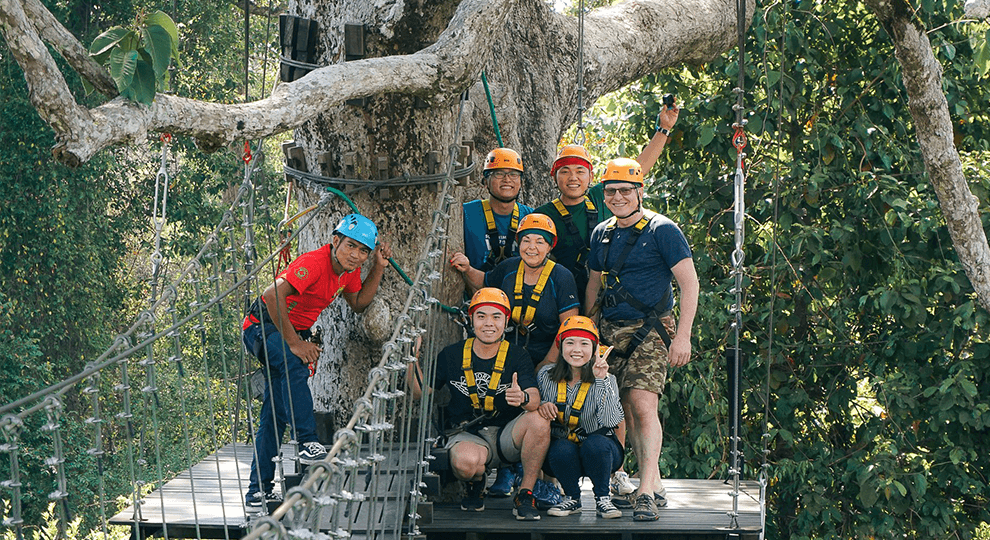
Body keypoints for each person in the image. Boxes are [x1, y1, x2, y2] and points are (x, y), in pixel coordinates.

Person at [241, 213, 393, 509]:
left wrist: (377, 268)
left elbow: (360, 303)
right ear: (335, 241)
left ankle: (257, 489)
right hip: (262, 326)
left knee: (273, 416)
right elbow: (272, 296)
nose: (356, 255)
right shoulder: (314, 263)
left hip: (285, 331)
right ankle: (307, 441)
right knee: (293, 364)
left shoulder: (348, 271)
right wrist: (295, 342)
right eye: (350, 246)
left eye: (363, 251)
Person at [584, 158, 699, 522]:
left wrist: (683, 337)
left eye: (624, 190)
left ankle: (646, 492)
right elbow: (593, 283)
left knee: (642, 403)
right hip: (609, 329)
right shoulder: (601, 232)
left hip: (651, 328)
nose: (617, 197)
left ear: (639, 192)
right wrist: (586, 330)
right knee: (623, 410)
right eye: (611, 191)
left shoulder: (662, 230)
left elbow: (689, 283)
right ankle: (655, 481)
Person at [406, 288, 551, 521]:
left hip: (507, 434)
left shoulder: (517, 355)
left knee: (539, 419)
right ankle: (475, 481)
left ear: (505, 322)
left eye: (496, 317)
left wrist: (522, 398)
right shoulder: (451, 355)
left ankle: (525, 493)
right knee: (466, 464)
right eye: (481, 316)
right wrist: (412, 357)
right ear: (472, 320)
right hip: (468, 432)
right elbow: (419, 392)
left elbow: (534, 399)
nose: (489, 323)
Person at [534, 100, 680, 307]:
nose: (572, 177)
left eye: (580, 171)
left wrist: (663, 129)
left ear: (590, 176)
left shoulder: (601, 198)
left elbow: (638, 169)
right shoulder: (543, 215)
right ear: (554, 177)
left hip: (606, 297)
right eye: (565, 171)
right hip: (565, 298)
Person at [451, 213, 580, 370]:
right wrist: (467, 269)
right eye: (526, 241)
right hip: (508, 349)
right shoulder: (509, 267)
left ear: (549, 247)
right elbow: (484, 281)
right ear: (519, 244)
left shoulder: (561, 277)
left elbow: (568, 325)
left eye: (540, 242)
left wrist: (548, 362)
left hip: (546, 351)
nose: (531, 247)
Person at [536, 316, 625, 519]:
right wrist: (542, 406)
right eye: (570, 343)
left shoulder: (607, 378)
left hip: (601, 452)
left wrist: (602, 380)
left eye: (584, 343)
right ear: (560, 347)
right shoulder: (546, 375)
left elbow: (612, 421)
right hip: (564, 453)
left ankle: (603, 498)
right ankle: (572, 498)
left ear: (594, 349)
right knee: (560, 448)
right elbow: (534, 411)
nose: (576, 349)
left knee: (595, 444)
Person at [461, 148, 534, 273]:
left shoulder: (530, 217)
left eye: (513, 174)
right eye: (499, 174)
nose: (507, 179)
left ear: (521, 182)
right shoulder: (466, 213)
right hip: (475, 288)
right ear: (485, 182)